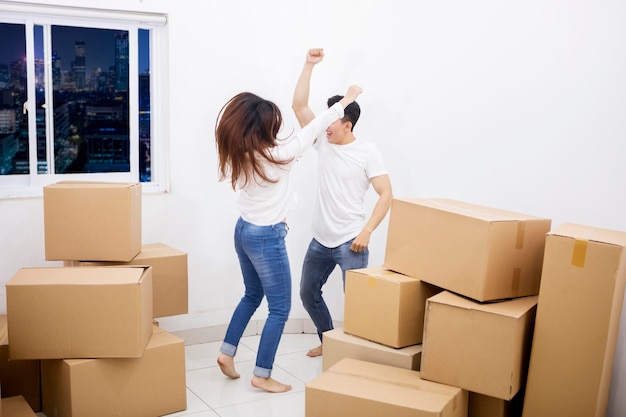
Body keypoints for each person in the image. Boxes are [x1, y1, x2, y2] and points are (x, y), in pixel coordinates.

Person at [215, 83, 363, 393]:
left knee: (251, 295)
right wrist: (347, 100)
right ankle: (262, 374)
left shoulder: (241, 152)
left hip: (242, 231)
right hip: (266, 237)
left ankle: (226, 353)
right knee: (280, 308)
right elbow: (315, 126)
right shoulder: (277, 154)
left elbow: (310, 127)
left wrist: (308, 66)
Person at [292, 48, 393, 358]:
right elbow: (298, 105)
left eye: (333, 121)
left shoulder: (367, 152)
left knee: (358, 303)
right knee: (308, 293)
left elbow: (386, 194)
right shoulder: (324, 140)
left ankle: (357, 356)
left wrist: (367, 231)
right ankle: (328, 341)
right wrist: (309, 65)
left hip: (352, 242)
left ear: (347, 125)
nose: (326, 127)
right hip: (320, 240)